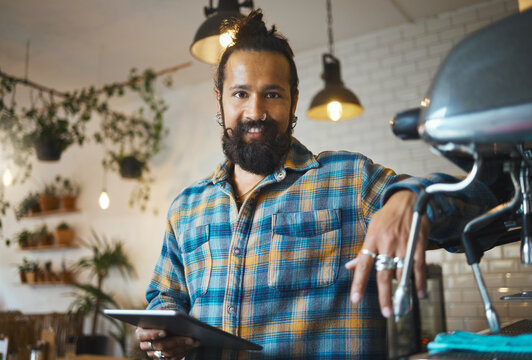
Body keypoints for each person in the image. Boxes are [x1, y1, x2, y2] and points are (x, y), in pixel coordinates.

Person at [136, 10, 496, 359]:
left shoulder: (350, 179)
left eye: (273, 94)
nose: (256, 111)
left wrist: (410, 198)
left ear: (293, 102)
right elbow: (165, 297)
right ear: (220, 100)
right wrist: (160, 335)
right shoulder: (186, 207)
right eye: (241, 94)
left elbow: (480, 203)